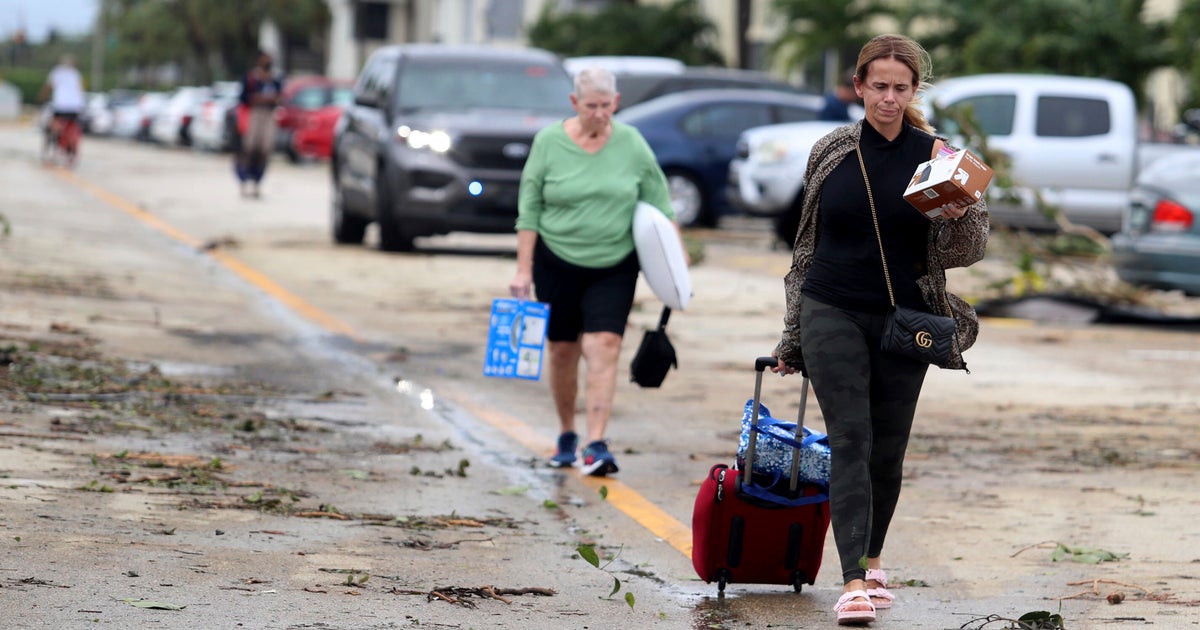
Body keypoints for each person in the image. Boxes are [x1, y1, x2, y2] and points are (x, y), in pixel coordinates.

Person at [770, 34, 989, 625]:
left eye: (901, 87)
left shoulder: (940, 158)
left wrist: (960, 214)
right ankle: (852, 581)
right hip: (829, 307)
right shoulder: (832, 150)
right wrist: (792, 337)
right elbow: (805, 247)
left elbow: (968, 252)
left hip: (904, 318)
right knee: (850, 439)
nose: (888, 98)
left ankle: (873, 557)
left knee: (888, 449)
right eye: (878, 86)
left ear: (914, 90)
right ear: (859, 85)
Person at [509, 67, 681, 477]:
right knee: (563, 350)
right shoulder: (548, 143)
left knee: (603, 345)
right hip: (556, 261)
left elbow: (661, 204)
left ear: (616, 103)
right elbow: (529, 210)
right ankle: (568, 433)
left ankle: (597, 441)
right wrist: (522, 269)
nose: (601, 114)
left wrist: (677, 264)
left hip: (614, 264)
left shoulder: (632, 144)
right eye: (592, 106)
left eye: (607, 106)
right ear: (574, 104)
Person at [235, 50, 283, 198]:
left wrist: (269, 99)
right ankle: (244, 181)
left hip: (268, 115)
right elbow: (244, 98)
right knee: (250, 147)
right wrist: (257, 98)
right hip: (254, 114)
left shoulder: (275, 79)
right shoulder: (251, 78)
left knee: (265, 149)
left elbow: (280, 97)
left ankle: (257, 182)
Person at [38, 54, 86, 163]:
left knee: (53, 127)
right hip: (76, 107)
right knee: (72, 127)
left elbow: (48, 87)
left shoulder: (56, 72)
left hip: (61, 105)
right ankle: (71, 152)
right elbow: (80, 89)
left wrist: (41, 98)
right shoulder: (76, 73)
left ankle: (51, 151)